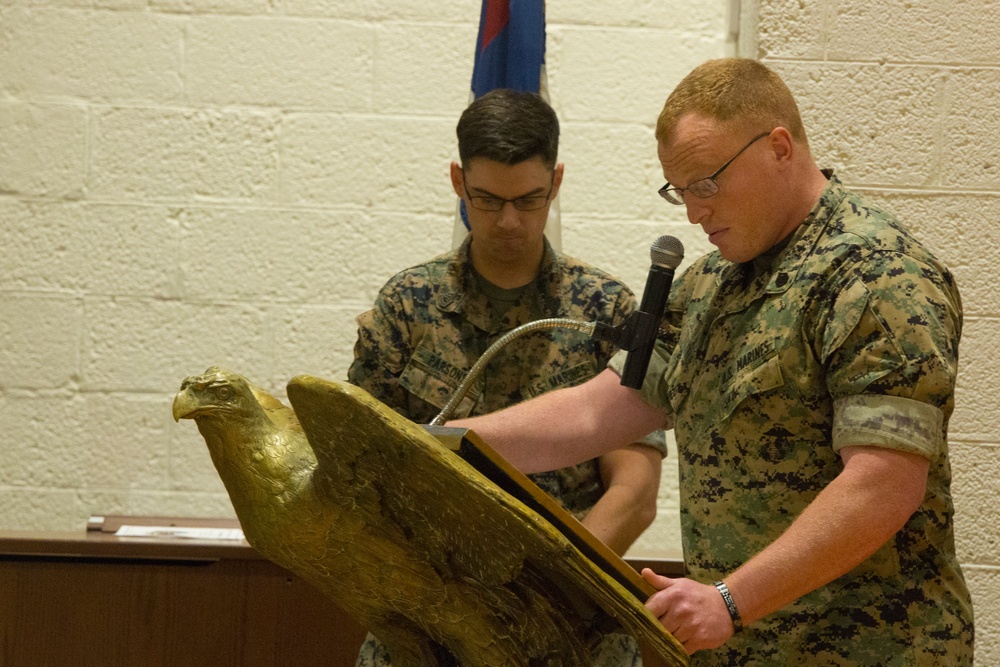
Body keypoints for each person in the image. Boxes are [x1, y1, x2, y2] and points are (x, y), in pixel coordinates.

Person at [449, 58, 975, 664]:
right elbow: (605, 409)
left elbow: (884, 483)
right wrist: (441, 441)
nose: (694, 212)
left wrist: (730, 600)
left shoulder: (876, 274)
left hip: (866, 649)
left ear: (779, 147)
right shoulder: (709, 285)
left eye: (707, 183)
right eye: (680, 190)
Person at [350, 88, 667, 667]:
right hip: (429, 625)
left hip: (571, 627)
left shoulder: (605, 309)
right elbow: (363, 469)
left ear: (558, 181)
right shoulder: (408, 307)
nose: (509, 221)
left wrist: (550, 591)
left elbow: (635, 489)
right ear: (457, 181)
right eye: (487, 199)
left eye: (529, 199)